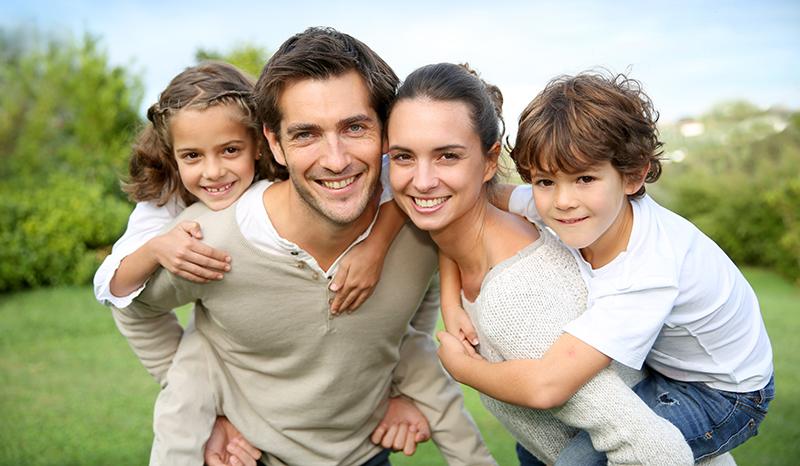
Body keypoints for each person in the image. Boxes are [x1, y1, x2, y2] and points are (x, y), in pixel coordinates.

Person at [112, 27, 496, 466]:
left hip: (364, 453)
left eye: (355, 127)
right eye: (305, 134)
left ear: (387, 134)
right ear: (273, 143)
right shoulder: (207, 241)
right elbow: (132, 307)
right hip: (251, 454)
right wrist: (208, 408)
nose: (335, 159)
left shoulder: (422, 223)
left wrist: (399, 385)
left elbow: (418, 297)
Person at [444, 69, 774, 464]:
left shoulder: (646, 272)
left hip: (723, 392)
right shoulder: (565, 206)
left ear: (633, 175)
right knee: (537, 443)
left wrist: (462, 368)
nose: (562, 200)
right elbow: (462, 204)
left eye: (585, 178)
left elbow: (547, 386)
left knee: (578, 459)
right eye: (545, 181)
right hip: (666, 364)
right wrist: (450, 299)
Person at [387, 62, 699, 466]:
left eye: (447, 156)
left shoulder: (519, 295)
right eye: (403, 156)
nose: (423, 180)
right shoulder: (475, 239)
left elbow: (658, 451)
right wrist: (449, 301)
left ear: (487, 162)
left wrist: (462, 368)